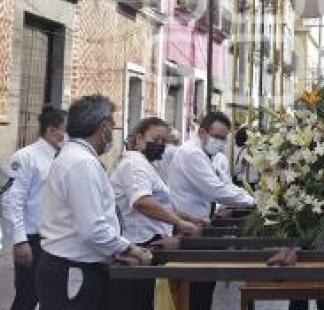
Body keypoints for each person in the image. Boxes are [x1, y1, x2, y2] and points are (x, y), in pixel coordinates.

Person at [36, 95, 152, 309]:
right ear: (104, 128)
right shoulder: (81, 163)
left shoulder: (76, 157)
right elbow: (92, 229)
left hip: (73, 266)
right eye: (113, 127)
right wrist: (129, 249)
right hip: (72, 270)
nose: (113, 134)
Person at [108, 117, 203, 310]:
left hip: (150, 245)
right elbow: (142, 202)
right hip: (139, 243)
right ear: (139, 138)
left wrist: (191, 218)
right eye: (156, 139)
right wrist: (179, 222)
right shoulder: (134, 163)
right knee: (136, 301)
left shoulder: (146, 164)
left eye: (163, 141)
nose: (159, 145)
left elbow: (162, 204)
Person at [165, 111, 255, 310]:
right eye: (218, 137)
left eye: (224, 138)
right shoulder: (191, 153)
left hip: (203, 227)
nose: (221, 142)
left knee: (205, 292)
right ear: (203, 132)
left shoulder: (210, 155)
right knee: (194, 294)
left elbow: (225, 185)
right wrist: (252, 202)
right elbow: (215, 190)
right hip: (188, 231)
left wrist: (245, 200)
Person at [1, 106, 67, 310]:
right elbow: (12, 200)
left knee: (52, 298)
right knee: (27, 298)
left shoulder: (65, 158)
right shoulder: (25, 157)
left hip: (57, 240)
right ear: (51, 130)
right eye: (66, 129)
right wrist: (19, 241)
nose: (69, 135)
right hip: (33, 241)